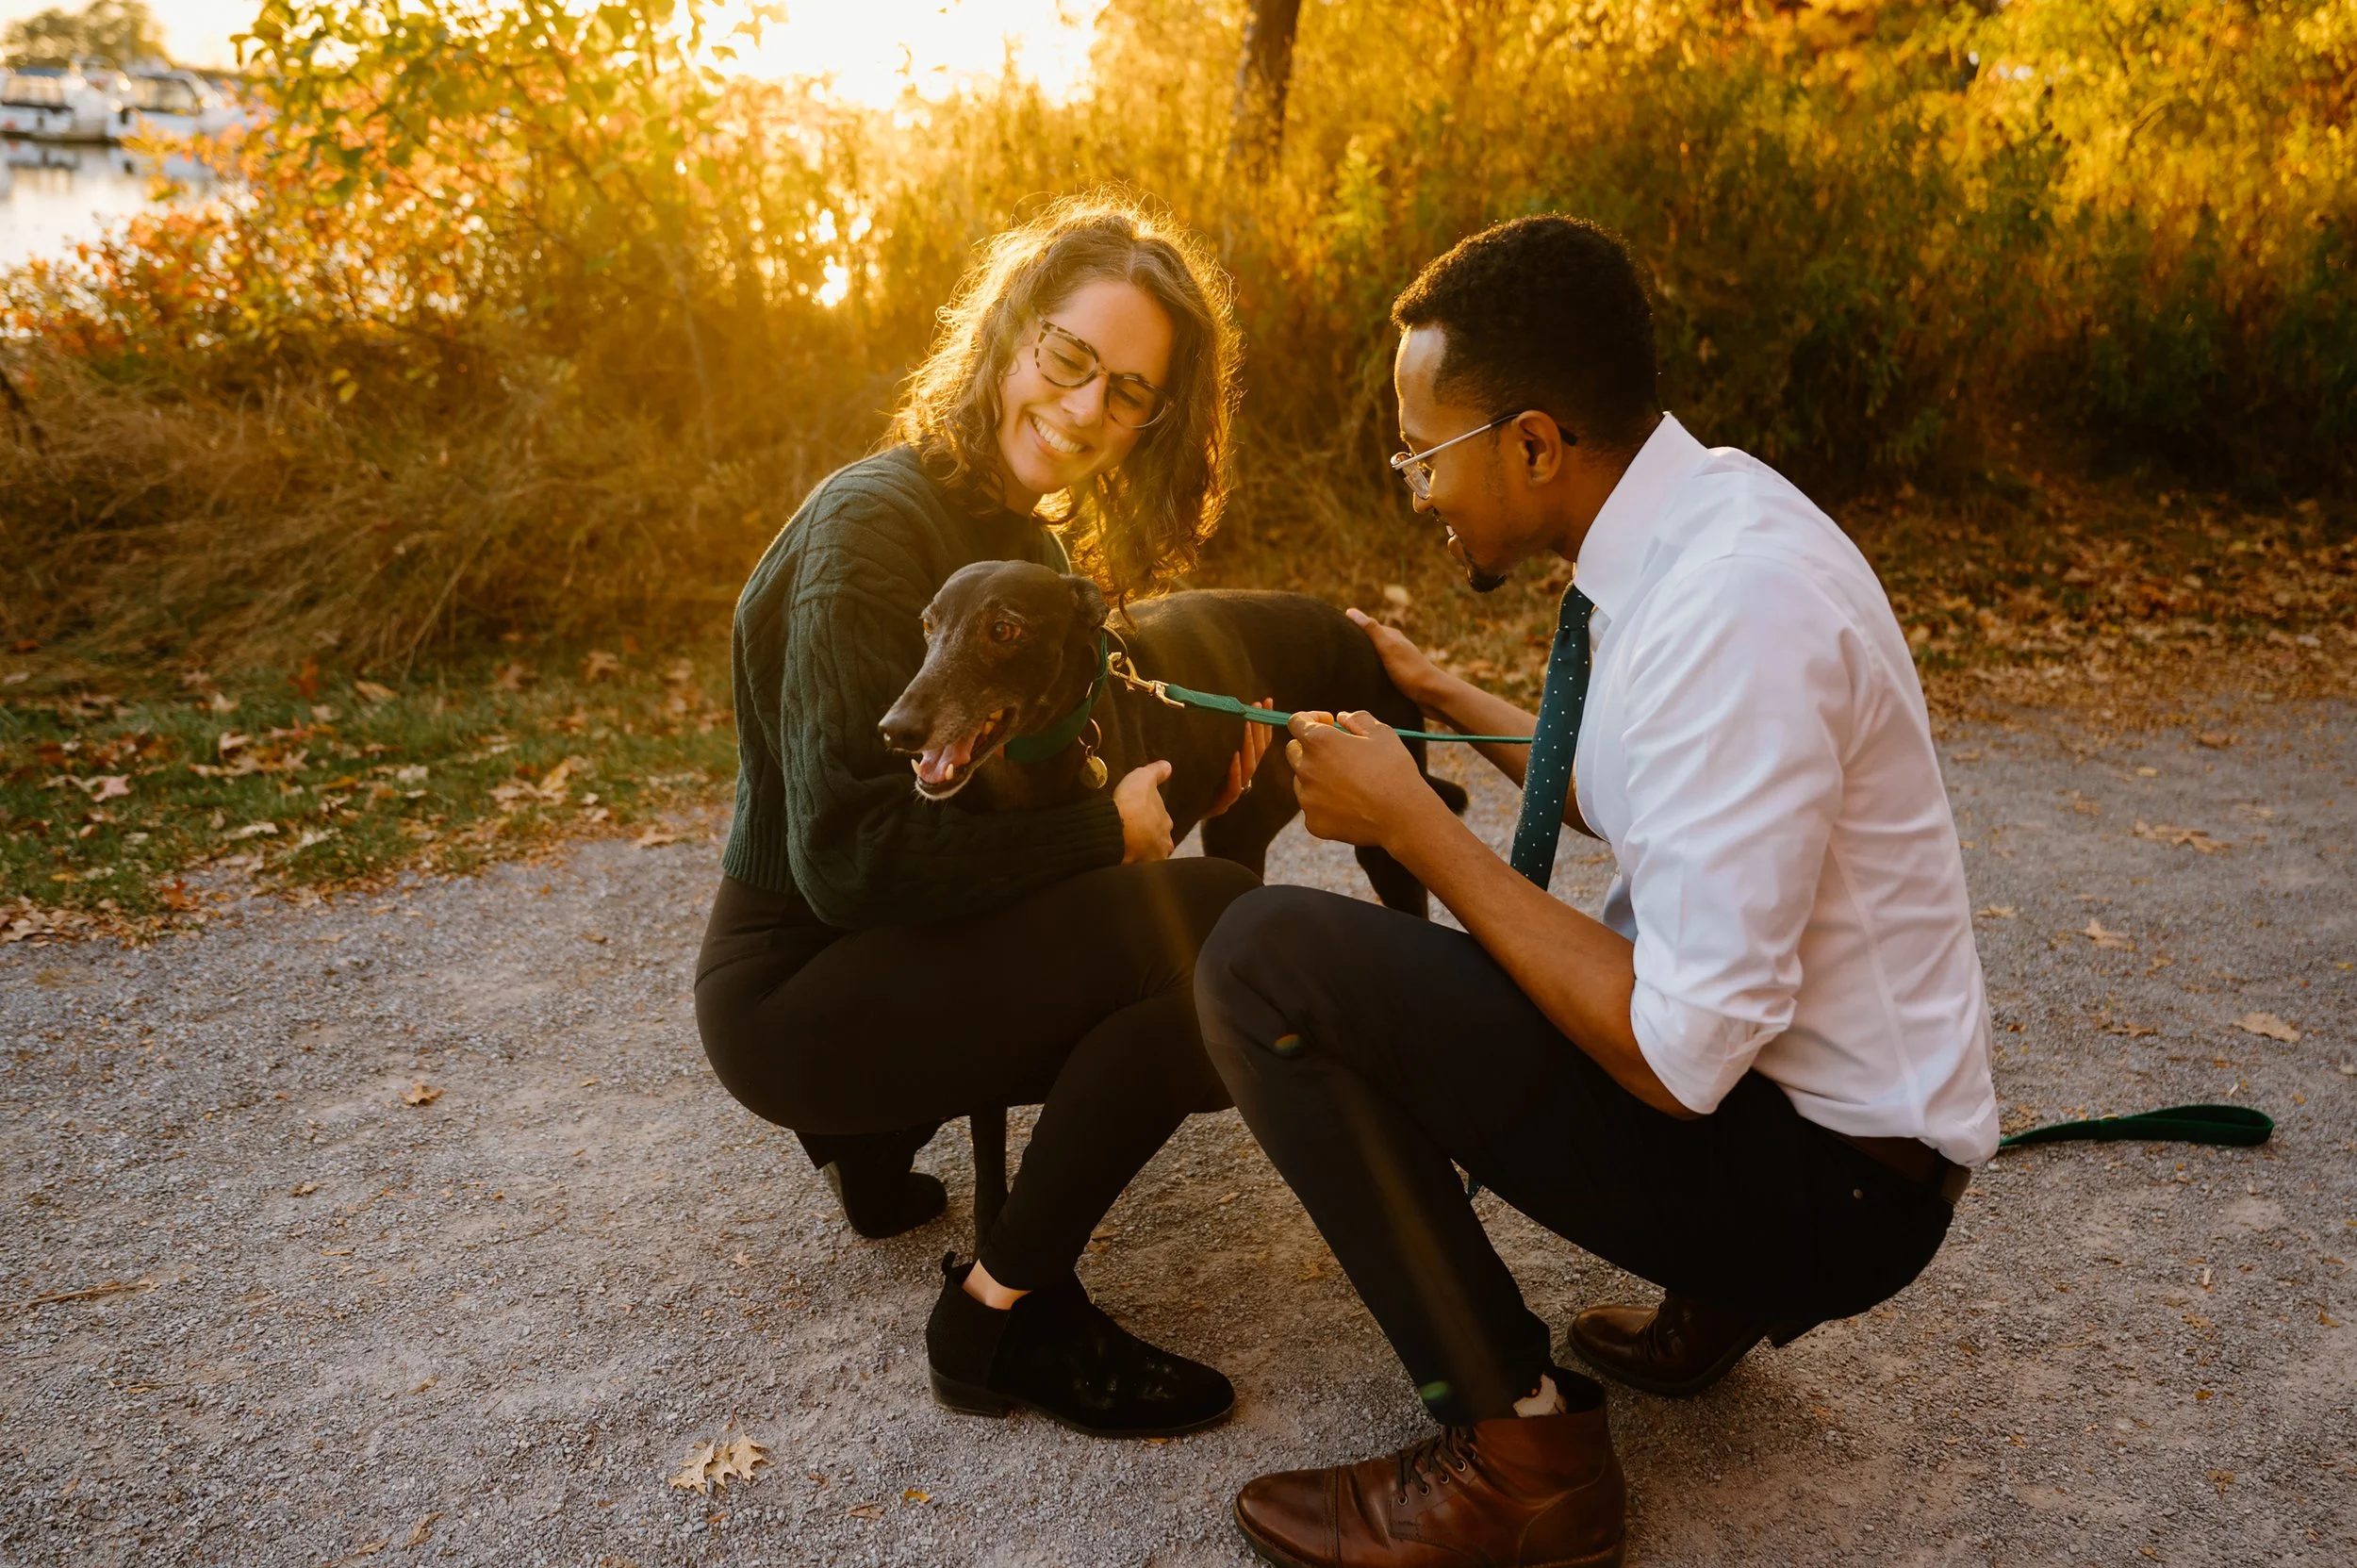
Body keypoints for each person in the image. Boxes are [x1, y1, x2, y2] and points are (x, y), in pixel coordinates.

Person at [1195, 216, 2000, 1565]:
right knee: (1328, 949)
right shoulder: (1705, 515)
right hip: (1808, 1126)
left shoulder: (1735, 609)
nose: (1413, 490)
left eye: (1421, 454)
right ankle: (1719, 1279)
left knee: (1261, 954)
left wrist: (1419, 827)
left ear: (1532, 442)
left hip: (1835, 1188)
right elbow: (1636, 781)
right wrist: (1439, 701)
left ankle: (1526, 1454)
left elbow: (1680, 1058)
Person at [694, 198, 1270, 1439]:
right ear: (1009, 333)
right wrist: (1105, 843)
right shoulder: (874, 531)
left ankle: (872, 1144)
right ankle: (1007, 1315)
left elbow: (1041, 761)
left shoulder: (1005, 532)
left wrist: (1192, 772)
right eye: (1068, 359)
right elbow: (848, 860)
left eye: (1126, 393)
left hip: (870, 964)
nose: (1082, 410)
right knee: (1222, 926)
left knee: (1172, 914)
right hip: (796, 993)